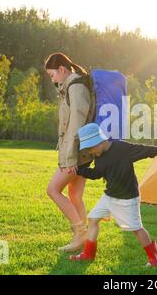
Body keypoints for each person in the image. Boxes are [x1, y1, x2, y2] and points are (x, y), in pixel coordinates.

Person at [69, 123, 157, 266]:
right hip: (109, 196)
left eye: (91, 148)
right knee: (93, 219)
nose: (91, 152)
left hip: (128, 198)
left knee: (136, 228)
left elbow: (145, 150)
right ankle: (88, 254)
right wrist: (79, 170)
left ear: (99, 141)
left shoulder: (122, 149)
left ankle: (154, 258)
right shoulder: (99, 156)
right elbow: (97, 173)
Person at [45, 53, 94, 252]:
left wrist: (70, 157)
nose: (52, 79)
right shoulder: (70, 87)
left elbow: (76, 123)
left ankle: (81, 232)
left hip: (77, 154)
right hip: (81, 152)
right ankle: (85, 241)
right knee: (75, 196)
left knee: (53, 190)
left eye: (52, 75)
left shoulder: (75, 87)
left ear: (62, 70)